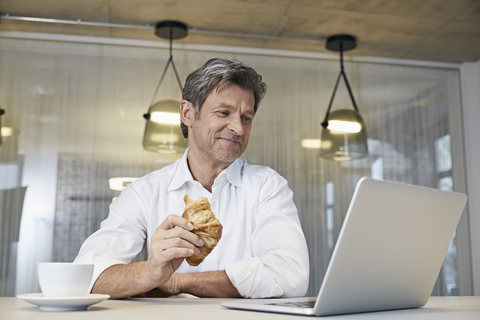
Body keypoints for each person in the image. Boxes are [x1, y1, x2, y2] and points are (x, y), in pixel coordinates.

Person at [74, 58, 309, 299]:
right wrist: (149, 273)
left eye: (246, 118)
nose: (238, 128)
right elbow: (85, 277)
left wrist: (178, 282)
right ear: (188, 113)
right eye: (224, 113)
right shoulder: (143, 192)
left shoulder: (267, 186)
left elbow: (291, 276)